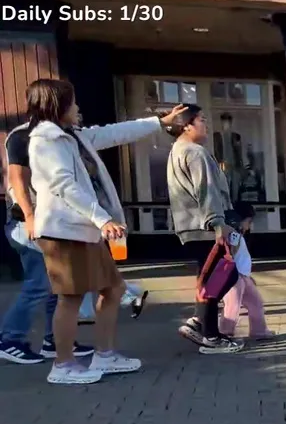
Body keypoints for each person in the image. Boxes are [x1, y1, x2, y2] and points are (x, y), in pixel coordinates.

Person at [27, 78, 178, 382]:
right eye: (73, 102)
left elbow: (114, 132)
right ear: (58, 106)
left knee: (114, 290)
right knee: (71, 298)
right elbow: (64, 186)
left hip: (83, 231)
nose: (77, 107)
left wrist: (159, 122)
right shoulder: (46, 140)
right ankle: (63, 365)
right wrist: (102, 219)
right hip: (63, 232)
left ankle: (104, 356)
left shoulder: (73, 136)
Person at [1, 117, 95, 364]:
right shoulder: (24, 136)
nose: (78, 111)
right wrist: (30, 216)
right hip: (28, 224)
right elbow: (16, 179)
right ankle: (10, 339)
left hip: (48, 224)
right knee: (39, 285)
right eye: (73, 104)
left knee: (56, 284)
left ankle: (54, 340)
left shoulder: (62, 133)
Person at [167, 105, 247, 354]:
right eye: (201, 119)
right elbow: (206, 190)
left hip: (191, 225)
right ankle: (208, 334)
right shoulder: (195, 152)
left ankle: (201, 324)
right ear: (186, 125)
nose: (206, 124)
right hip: (205, 227)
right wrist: (217, 222)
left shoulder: (177, 150)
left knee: (212, 278)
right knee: (223, 277)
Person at [218, 213, 273, 340]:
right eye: (248, 221)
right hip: (234, 276)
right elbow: (230, 254)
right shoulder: (233, 234)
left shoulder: (237, 235)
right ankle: (225, 334)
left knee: (256, 303)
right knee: (232, 305)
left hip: (244, 276)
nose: (249, 226)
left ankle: (259, 331)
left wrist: (248, 276)